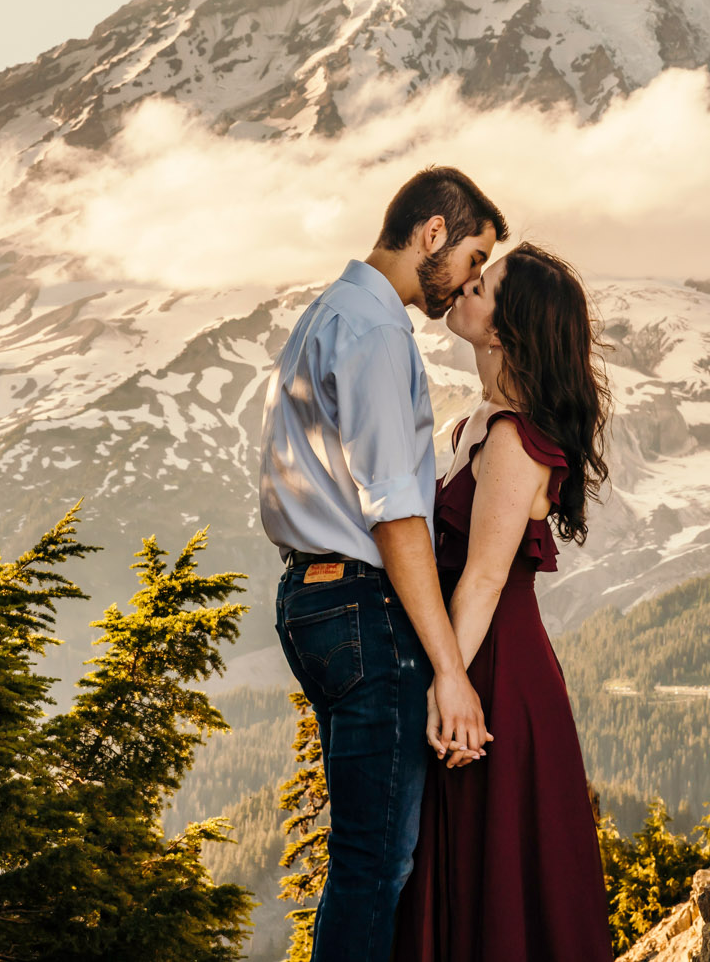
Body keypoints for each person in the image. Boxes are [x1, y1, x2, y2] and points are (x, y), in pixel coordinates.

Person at [258, 166, 507, 962]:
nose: (470, 279)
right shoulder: (374, 332)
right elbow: (395, 514)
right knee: (375, 863)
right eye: (473, 257)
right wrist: (449, 668)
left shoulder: (328, 314)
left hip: (312, 598)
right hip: (361, 604)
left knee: (364, 856)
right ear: (433, 233)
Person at [393, 243, 615, 962]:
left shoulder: (516, 439)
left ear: (504, 327)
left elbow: (484, 578)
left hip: (494, 672)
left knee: (495, 874)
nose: (462, 288)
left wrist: (449, 685)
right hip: (471, 658)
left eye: (481, 286)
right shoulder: (474, 426)